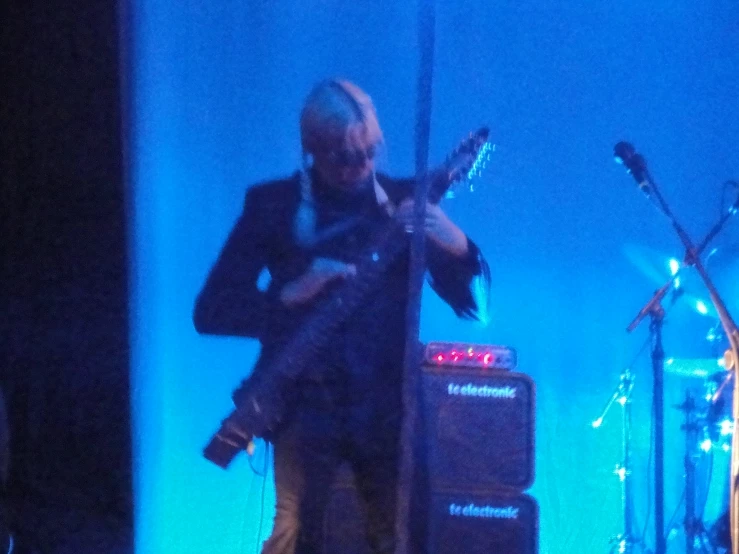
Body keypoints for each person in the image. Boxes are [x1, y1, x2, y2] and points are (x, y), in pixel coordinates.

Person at [194, 79, 489, 554]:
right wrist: (289, 294)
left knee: (403, 539)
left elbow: (477, 310)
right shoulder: (273, 205)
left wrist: (457, 244)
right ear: (312, 149)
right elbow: (211, 311)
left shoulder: (408, 203)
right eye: (345, 156)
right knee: (297, 536)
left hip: (390, 406)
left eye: (370, 151)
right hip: (305, 406)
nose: (362, 165)